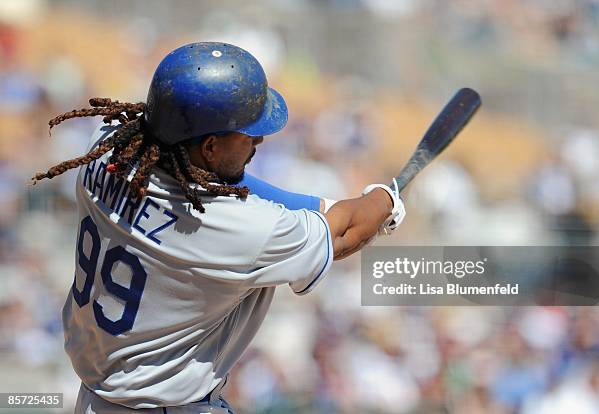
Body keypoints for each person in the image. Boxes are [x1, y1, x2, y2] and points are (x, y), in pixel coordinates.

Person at [31, 42, 405, 413]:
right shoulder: (234, 230)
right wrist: (383, 199)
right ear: (209, 147)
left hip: (95, 399)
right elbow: (344, 233)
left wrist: (313, 205)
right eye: (247, 134)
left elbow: (213, 186)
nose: (258, 139)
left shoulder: (111, 151)